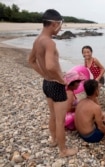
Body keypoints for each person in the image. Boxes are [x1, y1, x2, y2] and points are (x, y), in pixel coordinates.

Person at [28, 9, 78, 157]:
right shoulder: (49, 43)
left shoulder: (37, 40)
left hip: (47, 83)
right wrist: (61, 79)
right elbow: (50, 65)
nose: (61, 28)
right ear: (54, 24)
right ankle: (63, 150)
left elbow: (31, 61)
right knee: (60, 120)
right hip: (56, 84)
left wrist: (46, 75)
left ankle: (54, 140)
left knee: (52, 115)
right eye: (60, 25)